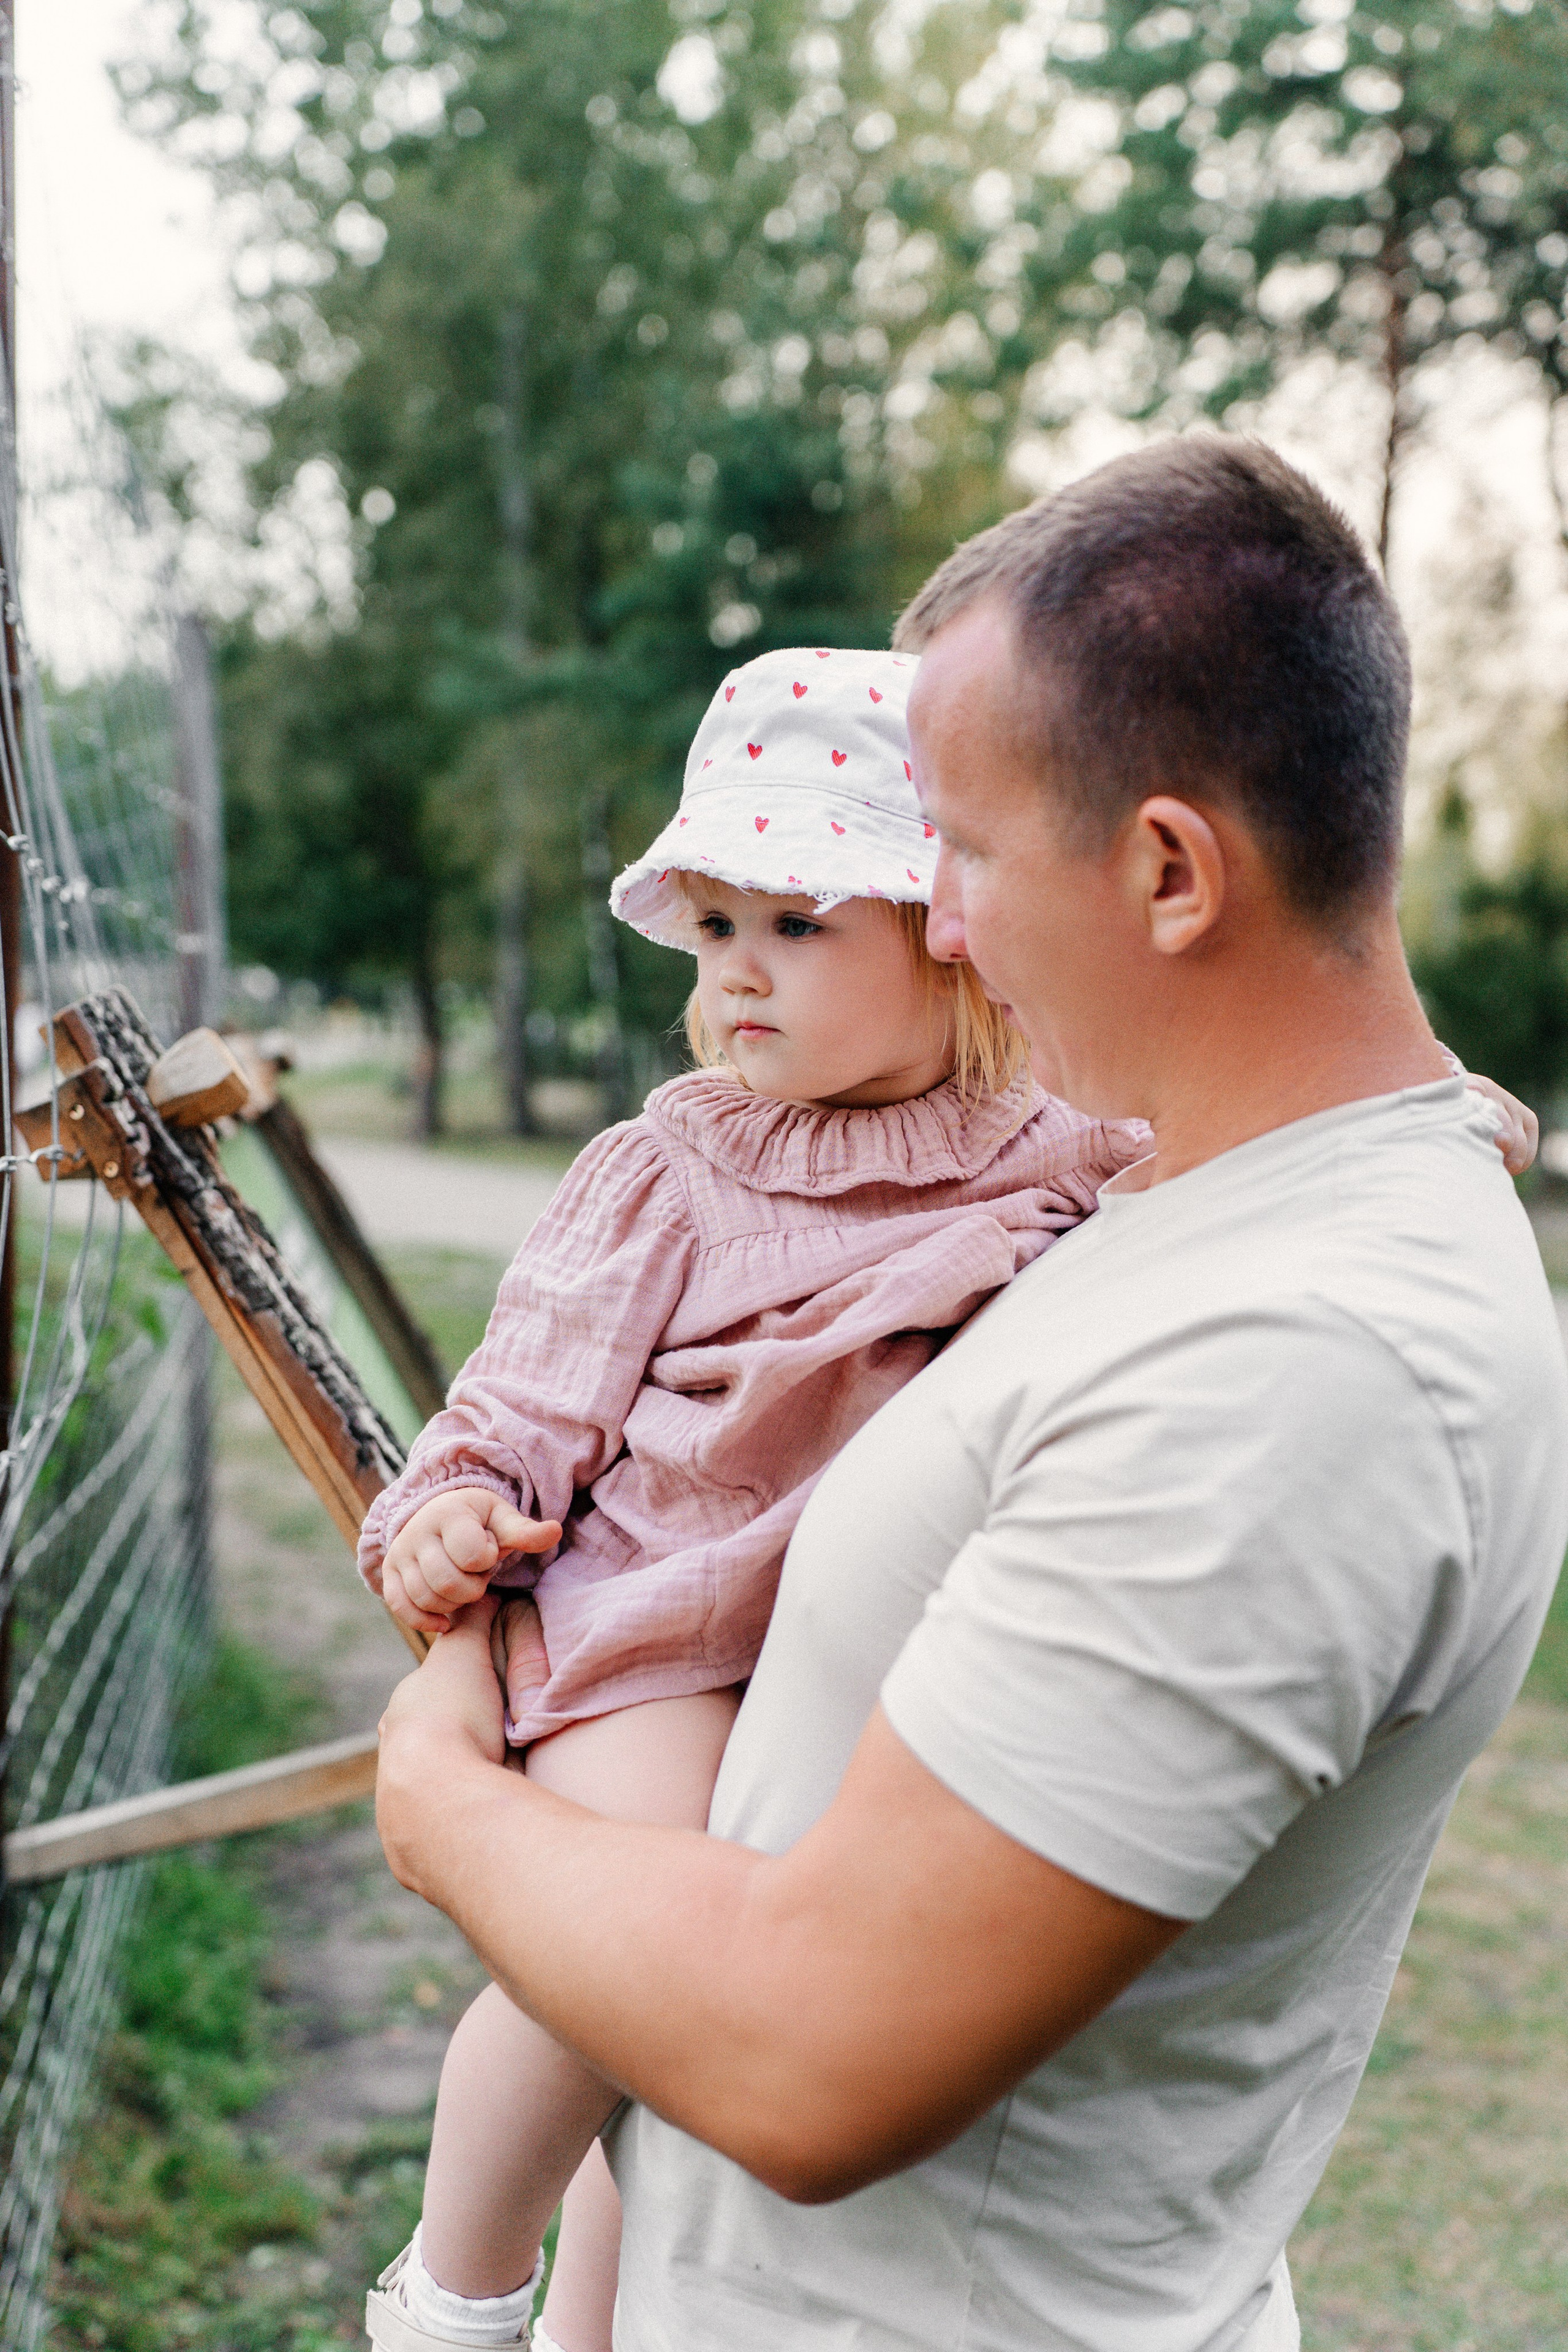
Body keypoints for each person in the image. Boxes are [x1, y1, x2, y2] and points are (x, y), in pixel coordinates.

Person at [374, 437, 1568, 2352]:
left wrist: (438, 1803)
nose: (941, 917)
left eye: (967, 852)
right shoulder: (1201, 1196)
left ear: (1169, 870)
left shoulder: (1303, 1364)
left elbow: (808, 2065)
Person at [358, 645, 1140, 2351]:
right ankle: (457, 2289)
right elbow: (520, 1396)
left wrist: (1414, 1114)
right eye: (717, 931)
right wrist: (456, 1506)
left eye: (800, 925)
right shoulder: (669, 1169)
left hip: (846, 1660)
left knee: (707, 2028)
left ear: (950, 933)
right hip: (655, 1638)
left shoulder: (1053, 1140)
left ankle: (603, 2327)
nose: (740, 975)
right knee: (623, 1944)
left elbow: (1238, 1140)